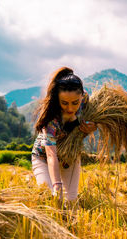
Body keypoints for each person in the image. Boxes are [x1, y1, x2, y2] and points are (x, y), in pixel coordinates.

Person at [31, 67, 97, 201]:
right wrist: (57, 185)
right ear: (57, 99)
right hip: (44, 157)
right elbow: (51, 155)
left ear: (81, 97)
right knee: (50, 198)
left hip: (69, 156)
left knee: (71, 201)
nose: (70, 108)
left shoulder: (85, 99)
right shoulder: (51, 120)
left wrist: (93, 126)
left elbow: (92, 119)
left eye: (75, 103)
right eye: (64, 103)